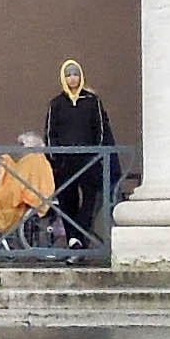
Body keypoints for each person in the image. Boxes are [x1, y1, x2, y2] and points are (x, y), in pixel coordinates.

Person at [43, 61, 118, 236]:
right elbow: (50, 132)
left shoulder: (92, 102)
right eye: (68, 75)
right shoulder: (57, 103)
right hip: (65, 162)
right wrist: (55, 156)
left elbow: (100, 130)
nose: (72, 78)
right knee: (67, 201)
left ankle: (79, 239)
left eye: (75, 74)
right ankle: (73, 241)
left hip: (88, 161)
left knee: (90, 200)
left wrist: (95, 154)